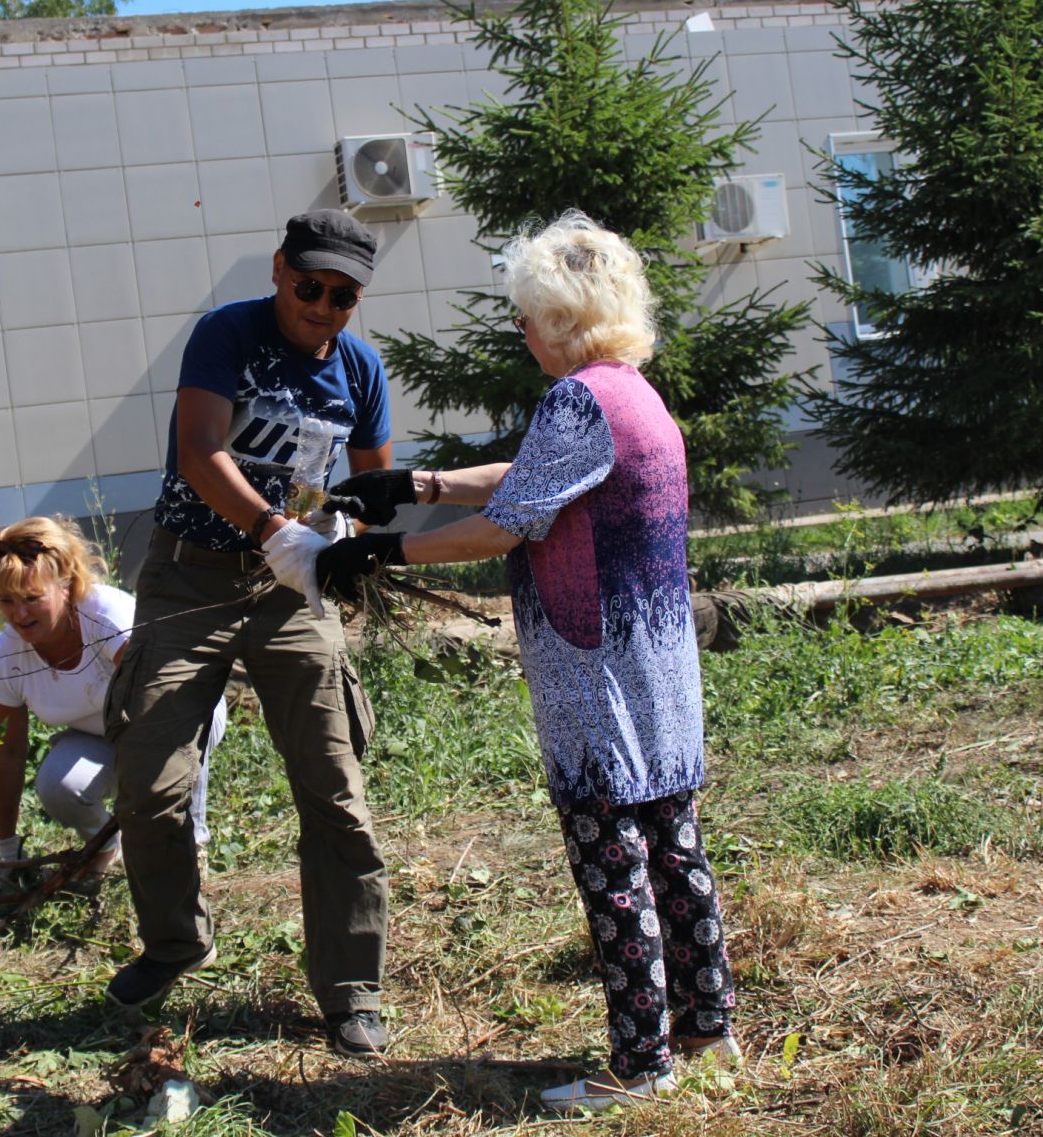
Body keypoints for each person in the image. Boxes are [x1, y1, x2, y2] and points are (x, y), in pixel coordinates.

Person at [317, 212, 739, 1111]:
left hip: (596, 678)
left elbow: (512, 519)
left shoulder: (578, 399)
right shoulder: (630, 392)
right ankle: (706, 1025)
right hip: (656, 675)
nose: (519, 331)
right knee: (674, 849)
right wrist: (420, 485)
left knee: (613, 865)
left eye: (525, 315)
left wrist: (380, 550)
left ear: (558, 318)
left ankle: (637, 1067)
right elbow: (541, 474)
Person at [101, 210, 395, 1057]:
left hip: (290, 591)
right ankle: (174, 942)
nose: (324, 306)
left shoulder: (360, 368)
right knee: (151, 783)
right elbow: (200, 452)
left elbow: (368, 485)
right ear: (279, 270)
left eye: (343, 296)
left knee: (334, 789)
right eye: (311, 286)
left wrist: (337, 535)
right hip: (189, 573)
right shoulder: (227, 336)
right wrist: (275, 526)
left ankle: (349, 989)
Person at [0, 515, 227, 882]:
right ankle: (108, 845)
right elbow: (9, 751)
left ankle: (191, 847)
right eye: (7, 601)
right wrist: (6, 845)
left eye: (32, 599)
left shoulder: (107, 618)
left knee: (167, 750)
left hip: (178, 714)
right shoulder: (8, 658)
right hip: (102, 736)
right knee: (58, 787)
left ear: (65, 584)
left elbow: (171, 707)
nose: (19, 614)